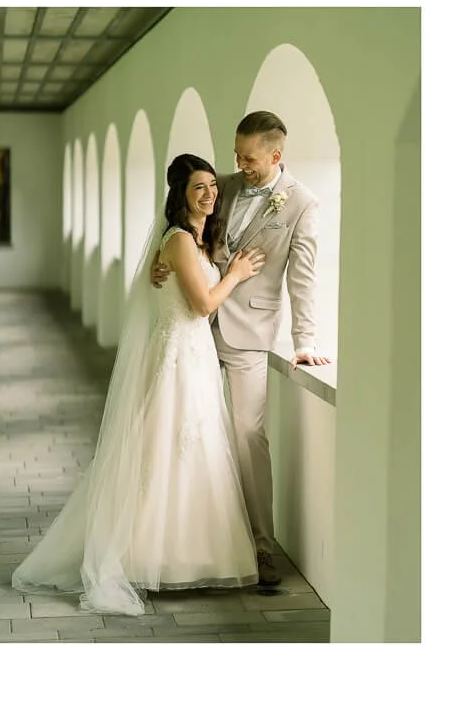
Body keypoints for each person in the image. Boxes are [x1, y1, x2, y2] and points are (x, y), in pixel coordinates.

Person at [11, 154, 268, 615]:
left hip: (193, 359)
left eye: (212, 185)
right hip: (178, 361)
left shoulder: (194, 239)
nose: (209, 194)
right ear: (179, 195)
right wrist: (235, 275)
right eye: (198, 188)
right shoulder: (181, 242)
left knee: (193, 451)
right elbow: (203, 305)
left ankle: (187, 555)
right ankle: (147, 556)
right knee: (167, 451)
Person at [150, 111, 329, 587]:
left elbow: (303, 279)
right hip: (193, 326)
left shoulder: (302, 205)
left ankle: (261, 546)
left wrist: (305, 340)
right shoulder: (220, 185)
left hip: (249, 335)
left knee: (248, 436)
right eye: (236, 154)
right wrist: (157, 265)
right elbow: (179, 230)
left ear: (276, 155)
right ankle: (182, 539)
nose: (239, 164)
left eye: (248, 158)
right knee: (184, 427)